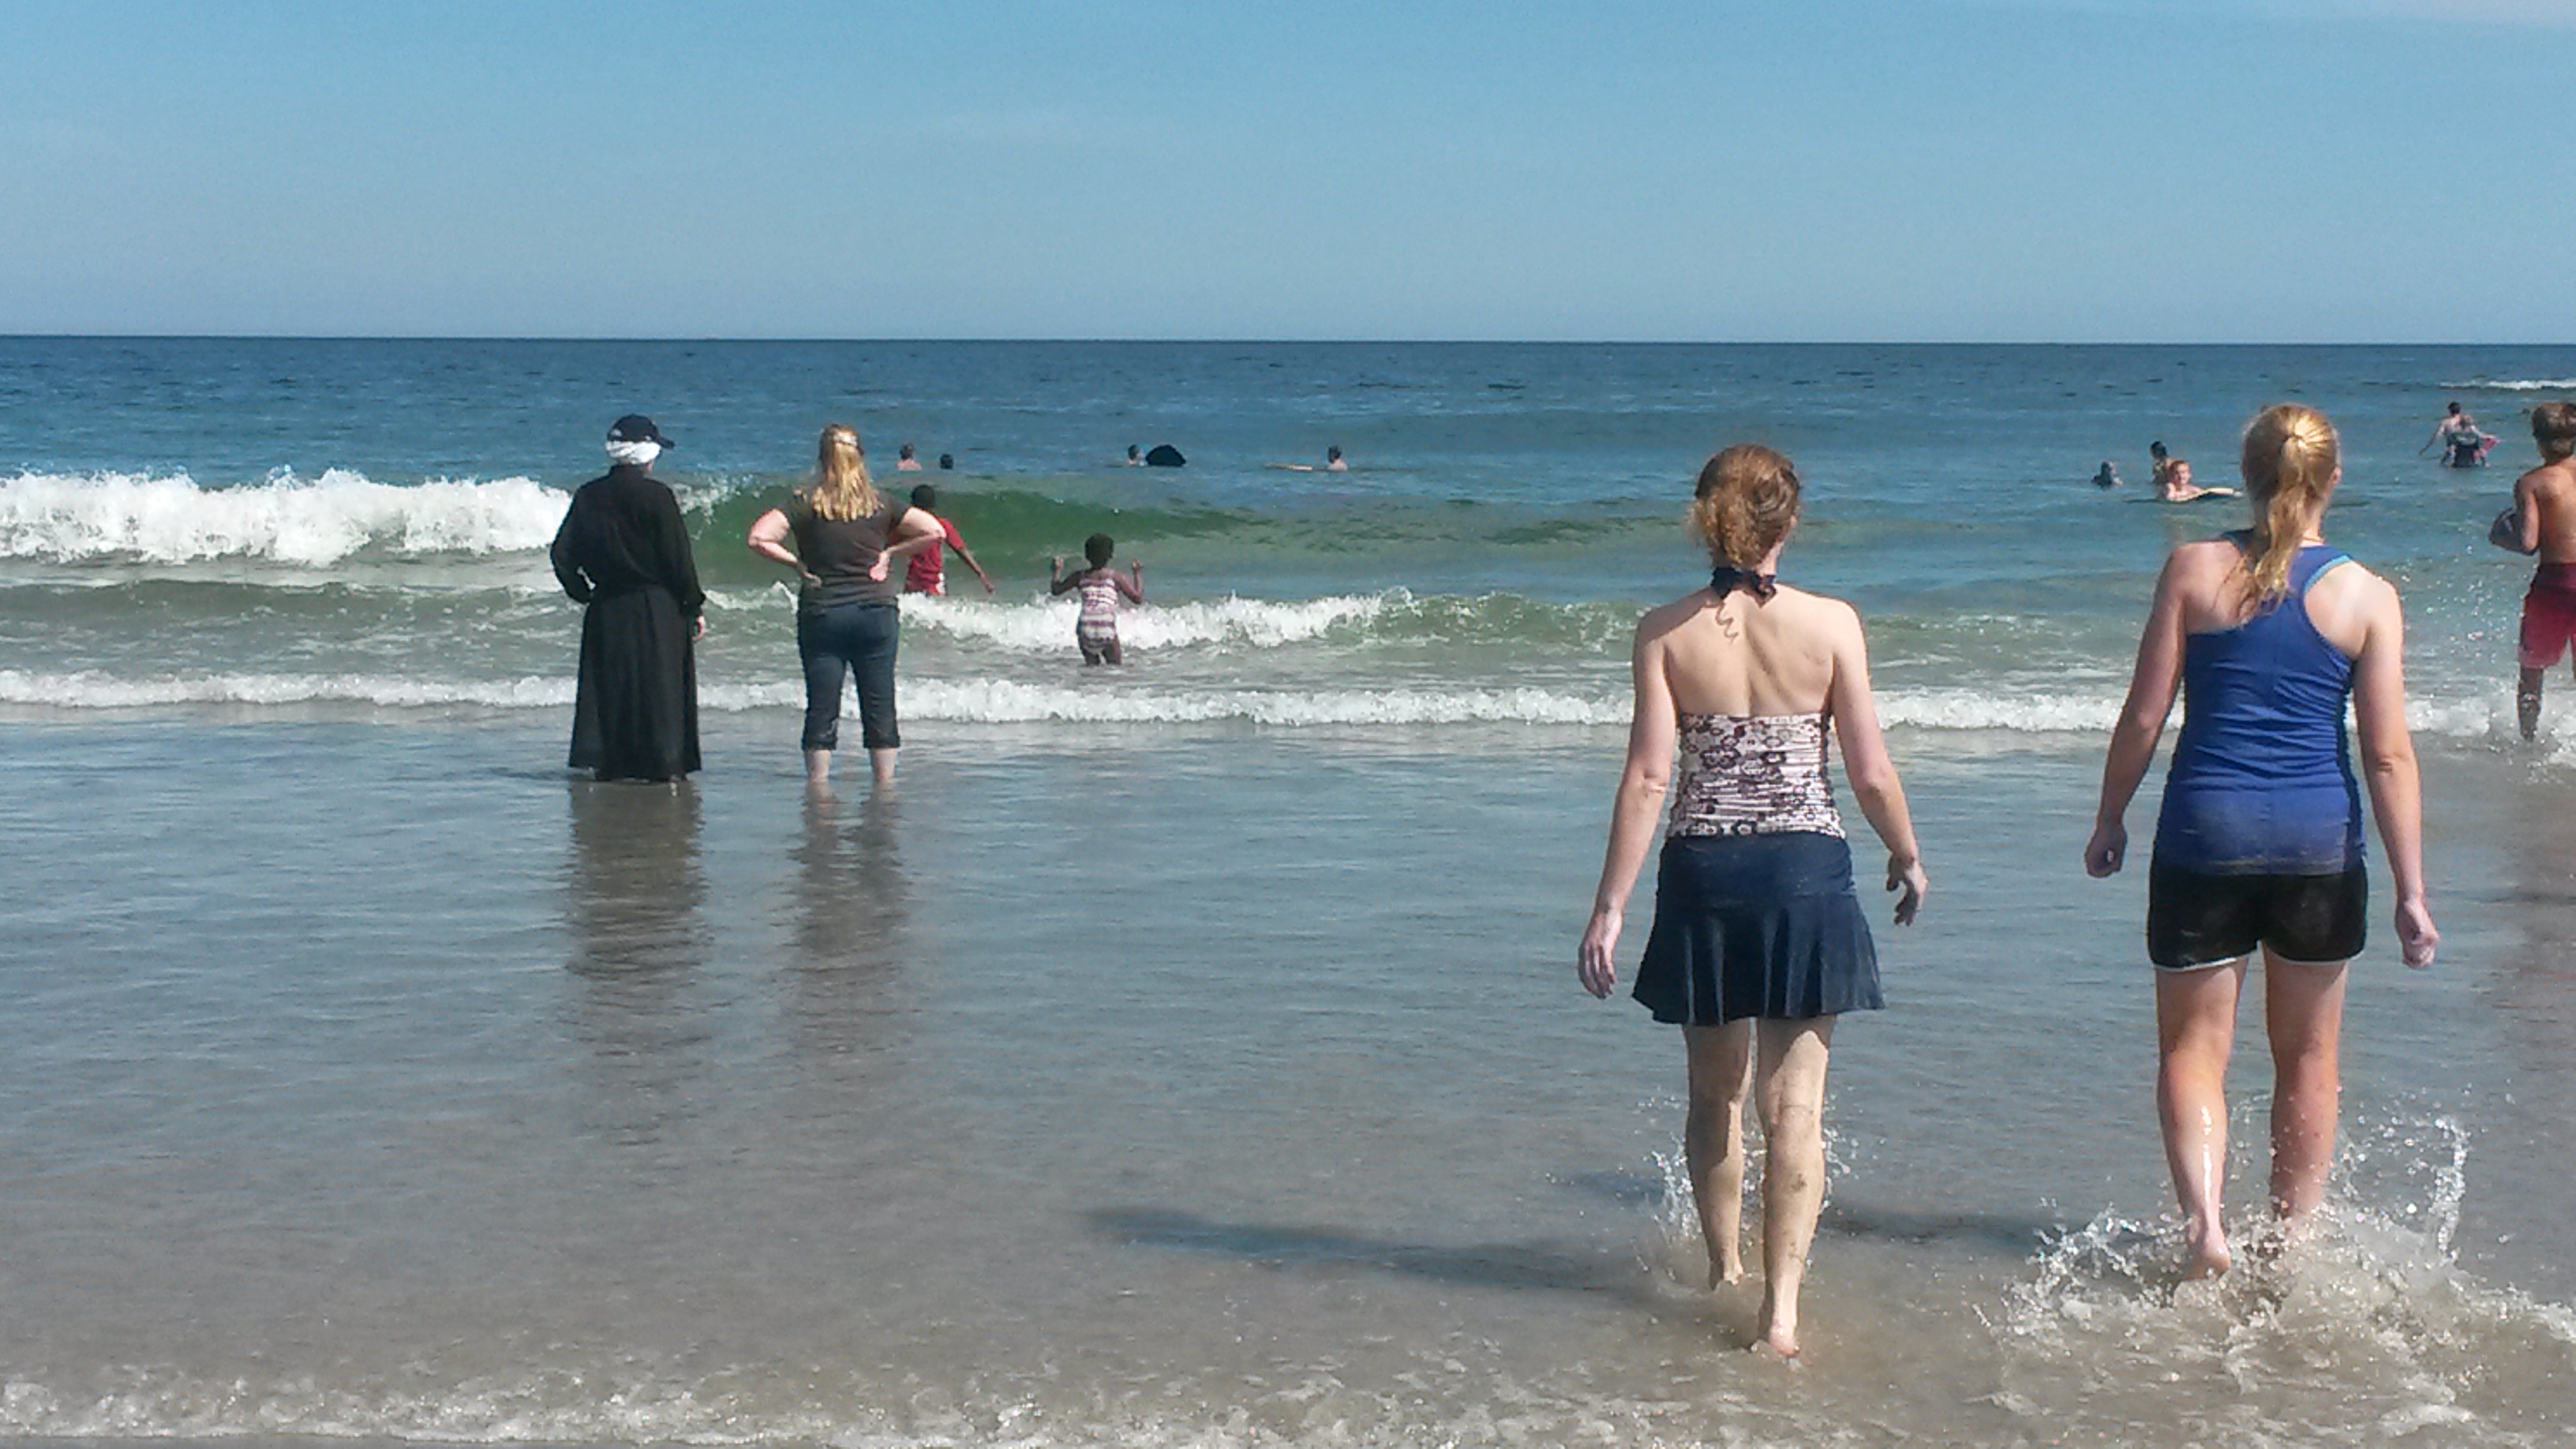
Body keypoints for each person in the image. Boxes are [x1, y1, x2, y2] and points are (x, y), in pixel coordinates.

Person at [1576, 444, 1927, 1360]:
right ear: (1790, 521)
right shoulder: (1833, 624)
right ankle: (1781, 1318)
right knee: (1795, 1108)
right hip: (1805, 873)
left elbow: (1649, 778)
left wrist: (1610, 905)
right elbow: (1870, 770)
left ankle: (1724, 1271)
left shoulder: (1663, 632)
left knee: (1714, 1095)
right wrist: (1906, 853)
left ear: (1704, 518)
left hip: (1705, 876)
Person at [2086, 403, 2438, 1282]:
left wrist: (2109, 817)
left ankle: (2207, 1229)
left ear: (2244, 475)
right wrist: (2412, 889)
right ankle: (2291, 1243)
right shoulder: (2367, 595)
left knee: (2192, 1050)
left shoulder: (2192, 569)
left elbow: (2144, 714)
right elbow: (2388, 755)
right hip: (2320, 845)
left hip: (2205, 835)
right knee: (2309, 1057)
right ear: (2333, 481)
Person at [746, 425, 948, 792]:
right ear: (860, 458)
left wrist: (797, 564)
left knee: (822, 705)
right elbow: (935, 531)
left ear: (822, 458)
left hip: (823, 610)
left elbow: (759, 537)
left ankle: (818, 791)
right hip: (876, 611)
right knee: (880, 702)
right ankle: (884, 789)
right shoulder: (881, 502)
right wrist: (889, 553)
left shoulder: (805, 502)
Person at [549, 415, 705, 782]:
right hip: (657, 605)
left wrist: (581, 592)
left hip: (607, 604)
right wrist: (693, 605)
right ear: (646, 453)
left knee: (611, 687)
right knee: (661, 687)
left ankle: (610, 764)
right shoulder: (658, 496)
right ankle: (664, 764)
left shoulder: (588, 495)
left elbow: (562, 554)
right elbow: (677, 559)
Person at [2499, 402, 2576, 739]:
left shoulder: (2531, 482)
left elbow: (2528, 542)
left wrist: (2499, 535)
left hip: (2555, 585)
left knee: (2532, 671)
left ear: (2538, 440)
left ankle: (2527, 742)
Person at [1050, 533, 1144, 665]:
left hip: (1085, 627)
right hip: (1106, 626)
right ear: (1110, 555)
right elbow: (1137, 598)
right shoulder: (1115, 577)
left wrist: (1056, 571)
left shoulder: (1080, 576)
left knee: (1092, 670)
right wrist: (1137, 574)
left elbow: (1056, 590)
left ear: (1087, 556)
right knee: (1115, 668)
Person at [902, 485, 995, 597]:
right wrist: (981, 575)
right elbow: (961, 550)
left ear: (913, 504)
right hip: (931, 580)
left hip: (916, 580)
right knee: (936, 607)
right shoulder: (942, 524)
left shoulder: (908, 525)